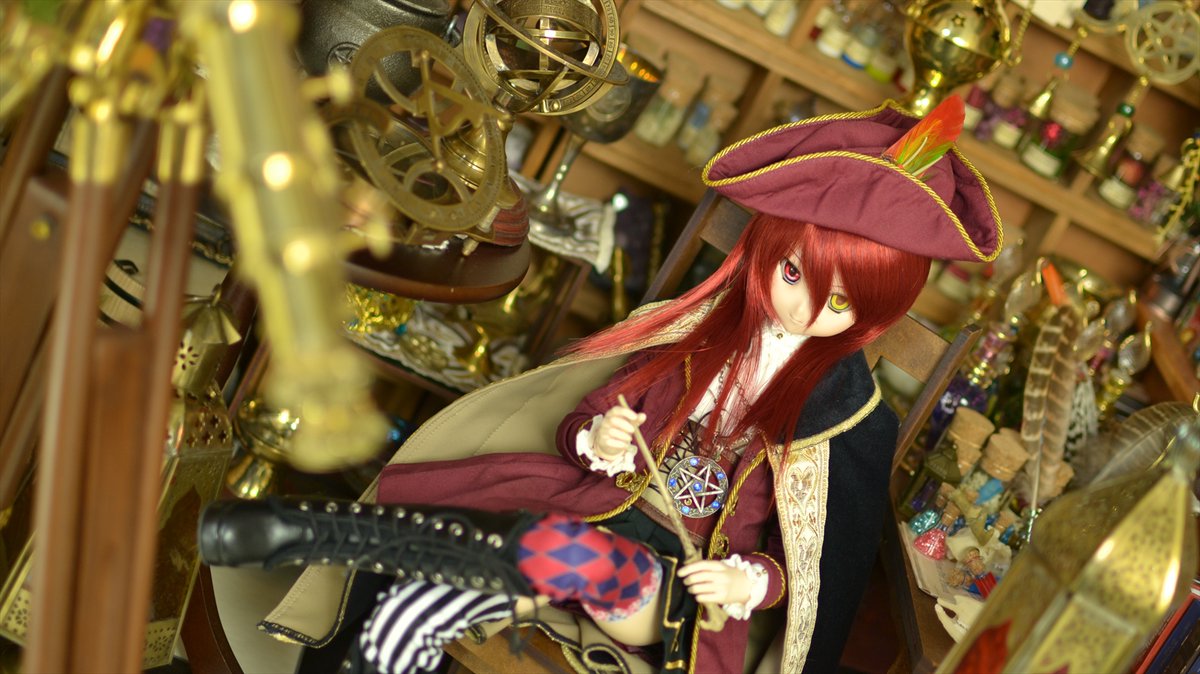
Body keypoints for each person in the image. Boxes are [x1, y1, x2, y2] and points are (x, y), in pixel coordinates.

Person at [199, 97, 1002, 674]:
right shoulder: (694, 338)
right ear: (769, 250)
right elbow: (582, 416)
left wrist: (747, 579)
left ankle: (336, 532)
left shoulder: (847, 420)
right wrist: (601, 438)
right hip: (586, 506)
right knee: (426, 601)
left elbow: (816, 570)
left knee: (566, 554)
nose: (803, 309)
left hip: (673, 596)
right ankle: (372, 595)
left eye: (840, 304)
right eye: (793, 274)